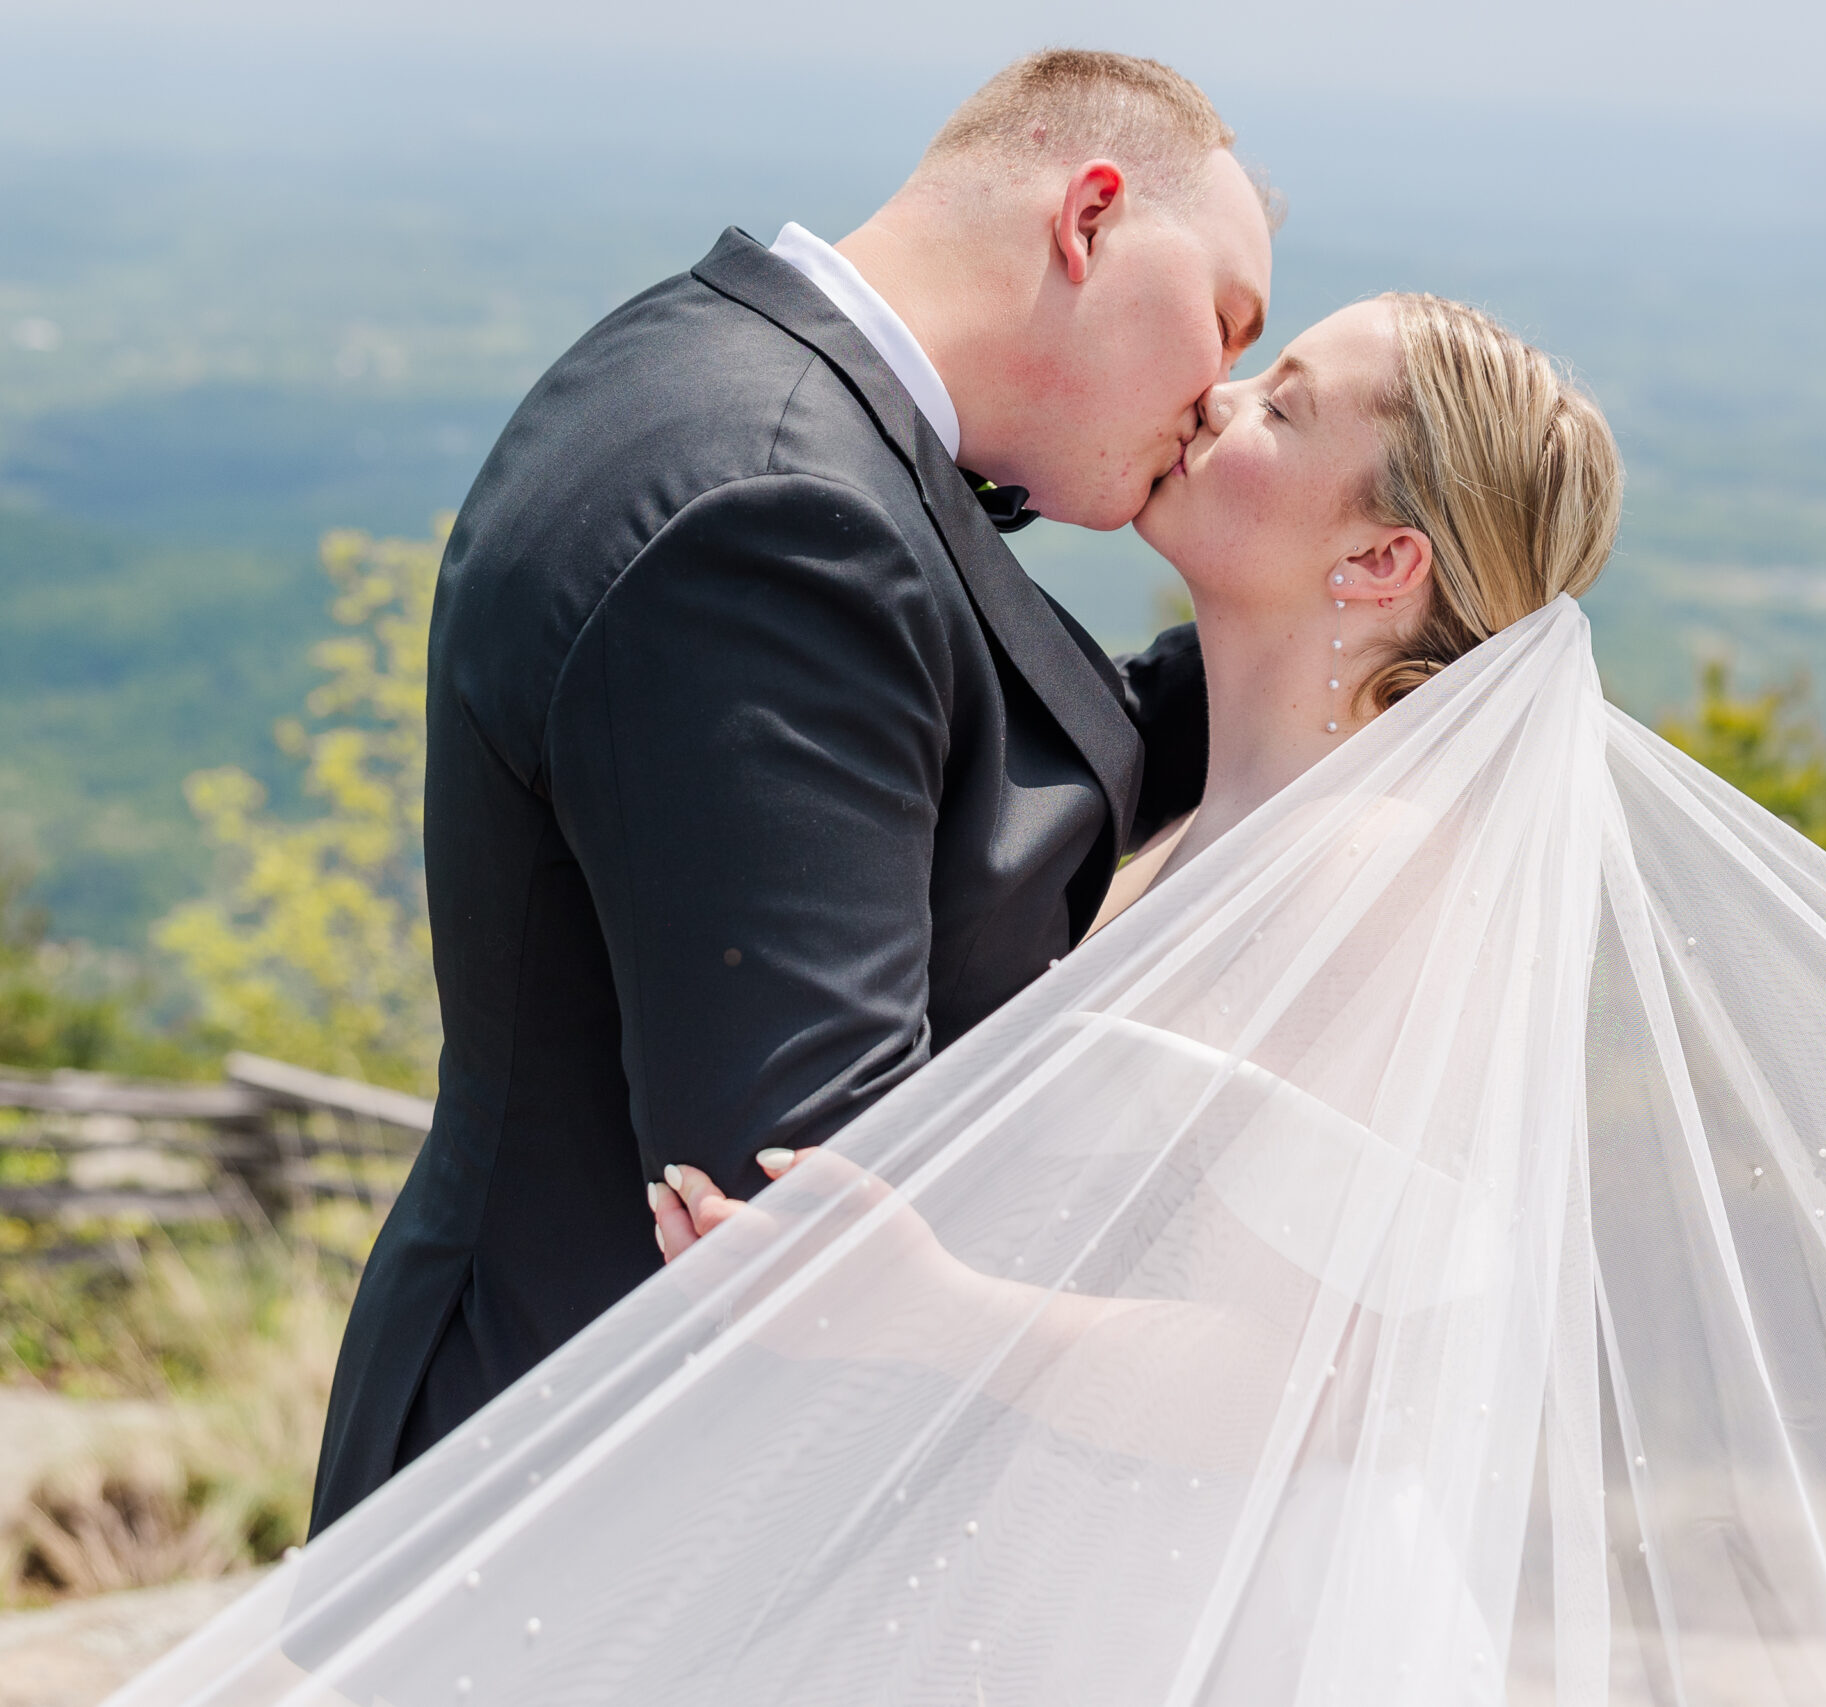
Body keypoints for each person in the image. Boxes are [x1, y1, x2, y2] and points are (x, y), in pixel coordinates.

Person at [127, 297, 1826, 1707]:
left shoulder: (1392, 870)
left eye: (1285, 400)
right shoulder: (1182, 794)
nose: (1220, 402)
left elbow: (1357, 1375)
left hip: (1231, 1609)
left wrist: (939, 1298)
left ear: (1383, 556)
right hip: (1055, 1578)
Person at [307, 49, 1275, 1535]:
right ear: (1089, 221)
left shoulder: (742, 365)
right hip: (608, 1513)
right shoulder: (778, 513)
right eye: (1224, 318)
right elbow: (808, 1193)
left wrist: (1336, 616)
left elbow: (980, 777)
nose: (1221, 393)